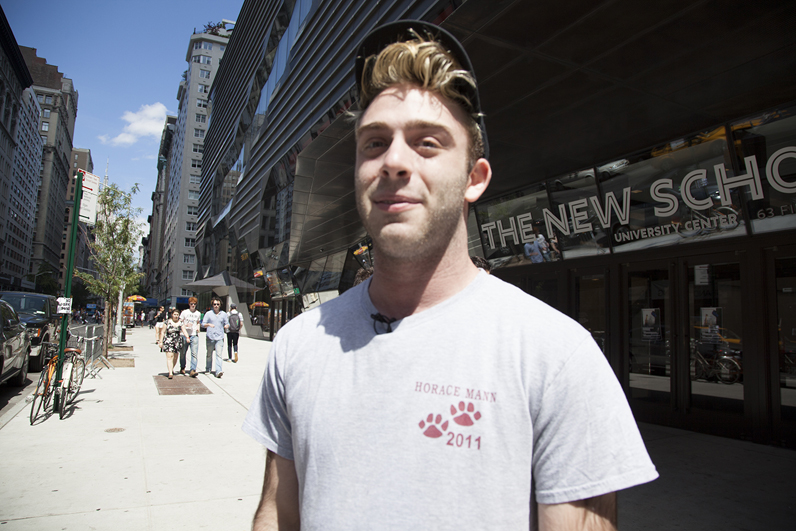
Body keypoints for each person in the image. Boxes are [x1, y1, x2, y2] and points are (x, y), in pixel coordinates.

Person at [243, 20, 657, 530]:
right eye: (374, 144)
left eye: (428, 143)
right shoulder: (297, 345)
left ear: (474, 179)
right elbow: (276, 513)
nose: (393, 160)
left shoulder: (556, 356)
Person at [201, 297, 228, 378]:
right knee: (209, 354)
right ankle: (208, 368)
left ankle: (218, 371)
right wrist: (209, 324)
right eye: (214, 304)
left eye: (218, 304)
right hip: (210, 337)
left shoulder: (223, 314)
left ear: (220, 305)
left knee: (219, 355)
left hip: (220, 337)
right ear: (212, 305)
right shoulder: (208, 314)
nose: (216, 306)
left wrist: (226, 326)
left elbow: (227, 323)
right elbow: (203, 324)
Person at [180, 298, 202, 377]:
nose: (193, 305)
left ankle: (193, 370)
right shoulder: (184, 312)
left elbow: (198, 322)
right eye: (191, 304)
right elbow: (180, 322)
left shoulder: (198, 313)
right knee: (183, 353)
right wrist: (185, 325)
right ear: (189, 304)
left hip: (194, 335)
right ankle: (182, 367)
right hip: (184, 335)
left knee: (194, 354)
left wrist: (198, 328)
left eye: (194, 304)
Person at [158, 309, 182, 379]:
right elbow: (162, 332)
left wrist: (187, 337)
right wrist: (160, 341)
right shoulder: (167, 322)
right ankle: (170, 372)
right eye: (175, 314)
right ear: (172, 315)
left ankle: (171, 368)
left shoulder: (181, 322)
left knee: (175, 357)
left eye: (177, 314)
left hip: (177, 341)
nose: (176, 316)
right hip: (169, 341)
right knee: (169, 356)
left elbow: (184, 330)